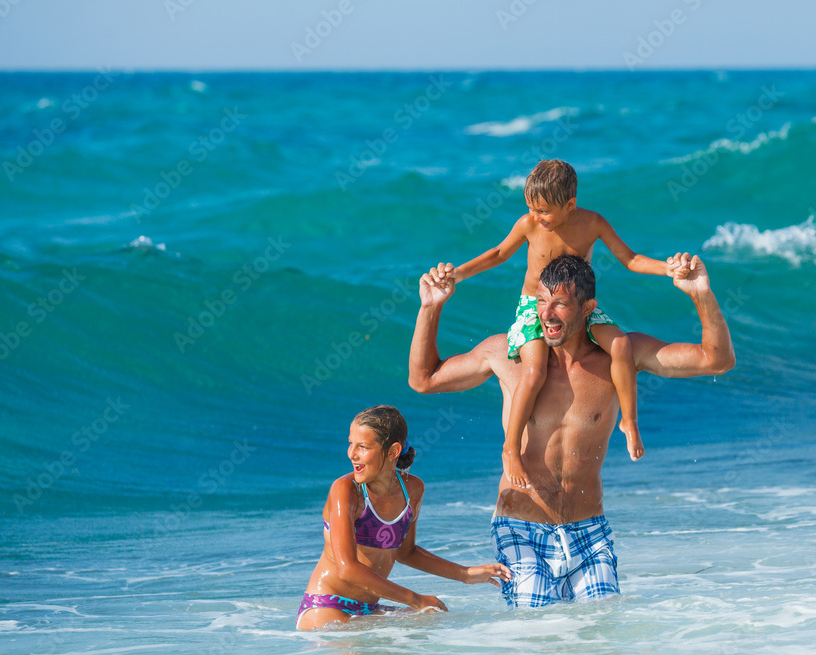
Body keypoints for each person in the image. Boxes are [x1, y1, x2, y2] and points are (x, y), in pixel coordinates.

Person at [408, 253, 734, 608]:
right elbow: (423, 380)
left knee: (600, 639)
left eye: (560, 304)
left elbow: (716, 360)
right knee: (538, 637)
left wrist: (700, 293)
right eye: (542, 302)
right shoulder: (507, 355)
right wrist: (430, 308)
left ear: (587, 307)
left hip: (589, 531)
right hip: (521, 527)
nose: (547, 314)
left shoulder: (620, 357)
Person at [447, 159, 676, 490]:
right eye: (531, 209)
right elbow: (498, 253)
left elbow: (630, 259)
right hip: (534, 308)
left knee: (621, 345)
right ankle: (510, 448)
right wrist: (458, 274)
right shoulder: (529, 224)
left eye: (544, 211)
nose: (536, 217)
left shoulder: (593, 223)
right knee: (534, 370)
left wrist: (668, 269)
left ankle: (629, 421)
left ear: (570, 205)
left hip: (577, 307)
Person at [297, 405, 512, 630]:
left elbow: (405, 552)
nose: (352, 453)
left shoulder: (413, 489)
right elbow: (347, 569)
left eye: (363, 446)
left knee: (437, 618)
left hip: (369, 609)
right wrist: (416, 600)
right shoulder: (346, 490)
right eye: (351, 444)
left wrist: (466, 574)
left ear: (393, 451)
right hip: (327, 605)